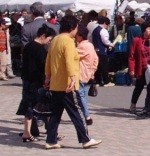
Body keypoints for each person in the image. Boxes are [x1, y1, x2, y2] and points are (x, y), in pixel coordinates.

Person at [44, 15, 102, 149]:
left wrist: (48, 76)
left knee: (55, 113)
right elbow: (70, 61)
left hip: (56, 83)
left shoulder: (55, 40)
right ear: (72, 27)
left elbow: (48, 59)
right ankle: (85, 139)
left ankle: (51, 140)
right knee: (76, 112)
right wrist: (73, 78)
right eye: (76, 27)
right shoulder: (68, 41)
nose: (77, 31)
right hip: (67, 84)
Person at [17, 24, 56, 142]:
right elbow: (42, 67)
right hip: (37, 82)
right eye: (49, 39)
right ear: (43, 36)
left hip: (27, 80)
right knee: (44, 106)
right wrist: (46, 80)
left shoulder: (28, 46)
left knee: (30, 106)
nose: (49, 42)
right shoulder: (40, 49)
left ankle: (30, 131)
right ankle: (31, 132)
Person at [128, 22, 150, 113]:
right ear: (144, 30)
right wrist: (131, 69)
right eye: (148, 28)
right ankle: (133, 104)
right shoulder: (137, 40)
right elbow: (132, 56)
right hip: (141, 67)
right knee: (139, 87)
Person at [75, 25, 98, 126]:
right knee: (82, 95)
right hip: (87, 73)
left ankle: (87, 116)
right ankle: (86, 115)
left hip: (80, 73)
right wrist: (92, 71)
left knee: (81, 96)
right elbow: (96, 59)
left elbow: (72, 55)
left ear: (80, 36)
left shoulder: (82, 46)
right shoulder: (90, 45)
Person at [92, 16, 114, 87]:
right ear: (105, 23)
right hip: (102, 50)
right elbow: (105, 41)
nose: (107, 26)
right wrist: (111, 44)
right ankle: (106, 81)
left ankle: (98, 81)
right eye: (107, 24)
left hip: (96, 50)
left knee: (97, 66)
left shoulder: (95, 30)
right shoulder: (103, 30)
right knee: (104, 66)